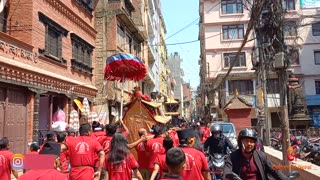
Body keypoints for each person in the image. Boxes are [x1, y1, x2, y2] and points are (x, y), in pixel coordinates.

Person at [223, 128, 289, 180]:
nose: (249, 144)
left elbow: (274, 170)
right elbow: (226, 173)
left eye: (251, 141)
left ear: (254, 144)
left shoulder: (261, 156)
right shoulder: (231, 157)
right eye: (246, 141)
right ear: (240, 142)